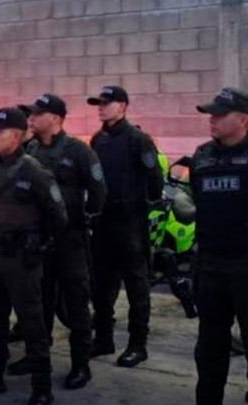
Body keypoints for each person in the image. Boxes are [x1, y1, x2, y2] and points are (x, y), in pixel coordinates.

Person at [169, 88, 248, 405]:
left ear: (244, 119)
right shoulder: (203, 156)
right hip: (211, 265)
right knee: (209, 348)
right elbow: (197, 205)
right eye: (211, 113)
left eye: (220, 114)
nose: (212, 119)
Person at [0, 107, 67, 405]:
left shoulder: (34, 171)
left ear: (18, 135)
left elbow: (59, 216)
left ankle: (42, 388)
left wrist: (39, 245)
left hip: (22, 258)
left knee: (32, 323)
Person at [8, 93, 106, 390]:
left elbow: (98, 190)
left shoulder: (78, 150)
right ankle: (37, 356)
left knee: (76, 302)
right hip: (40, 239)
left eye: (37, 114)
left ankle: (80, 364)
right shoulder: (31, 150)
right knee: (39, 301)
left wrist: (85, 220)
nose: (31, 119)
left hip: (70, 240)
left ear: (55, 118)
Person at [87, 86, 163, 368]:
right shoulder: (98, 140)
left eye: (107, 103)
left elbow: (154, 177)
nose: (101, 107)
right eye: (99, 103)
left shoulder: (138, 140)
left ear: (122, 107)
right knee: (101, 285)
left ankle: (137, 345)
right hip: (103, 221)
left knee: (136, 285)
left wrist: (142, 206)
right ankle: (103, 338)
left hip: (129, 221)